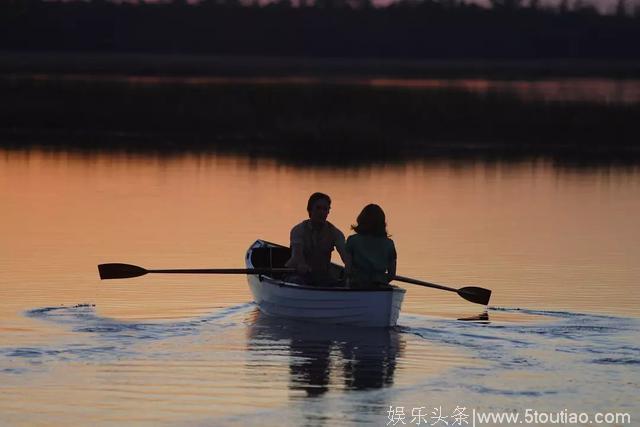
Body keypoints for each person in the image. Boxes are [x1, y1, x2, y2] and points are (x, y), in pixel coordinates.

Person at [285, 192, 351, 286]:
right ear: (310, 210)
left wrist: (349, 268)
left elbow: (346, 256)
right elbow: (297, 254)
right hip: (298, 274)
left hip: (322, 275)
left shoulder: (335, 233)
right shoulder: (298, 230)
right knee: (296, 281)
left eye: (325, 209)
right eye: (318, 208)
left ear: (328, 212)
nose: (322, 212)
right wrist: (301, 265)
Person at [345, 204, 397, 289]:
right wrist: (382, 280)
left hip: (357, 285)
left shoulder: (352, 240)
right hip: (380, 285)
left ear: (361, 220)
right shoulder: (389, 244)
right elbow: (392, 275)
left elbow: (348, 271)